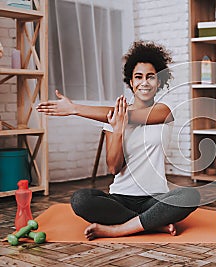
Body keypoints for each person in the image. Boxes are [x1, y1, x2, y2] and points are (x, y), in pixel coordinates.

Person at [37, 41, 200, 240]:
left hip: (155, 198)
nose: (145, 82)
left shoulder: (163, 112)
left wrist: (75, 109)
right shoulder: (113, 120)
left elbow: (128, 116)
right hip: (120, 199)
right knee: (80, 200)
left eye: (151, 77)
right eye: (138, 77)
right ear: (131, 82)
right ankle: (151, 224)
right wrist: (117, 130)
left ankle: (119, 229)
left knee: (190, 196)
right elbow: (114, 167)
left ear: (158, 82)